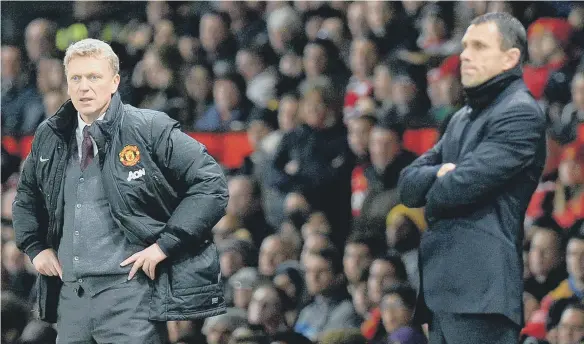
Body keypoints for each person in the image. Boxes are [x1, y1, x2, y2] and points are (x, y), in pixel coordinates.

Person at [12, 38, 229, 343]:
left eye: (94, 77)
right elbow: (26, 197)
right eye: (76, 77)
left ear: (114, 82)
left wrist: (165, 245)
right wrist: (35, 247)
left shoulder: (149, 127)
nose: (84, 87)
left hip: (132, 294)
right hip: (71, 296)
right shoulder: (50, 134)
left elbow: (211, 184)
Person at [398, 12, 547, 344]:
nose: (465, 55)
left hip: (481, 294)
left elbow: (452, 192)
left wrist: (437, 183)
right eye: (465, 46)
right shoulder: (463, 117)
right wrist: (439, 171)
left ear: (511, 58)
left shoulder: (519, 112)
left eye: (479, 46)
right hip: (445, 291)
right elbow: (407, 186)